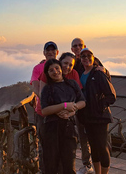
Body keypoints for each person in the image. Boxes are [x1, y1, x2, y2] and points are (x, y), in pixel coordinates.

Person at [71, 38, 110, 174]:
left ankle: (94, 167)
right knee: (87, 141)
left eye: (80, 46)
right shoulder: (73, 64)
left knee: (101, 145)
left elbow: (108, 87)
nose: (77, 48)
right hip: (83, 113)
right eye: (74, 46)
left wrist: (101, 106)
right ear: (72, 49)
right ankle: (87, 165)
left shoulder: (96, 65)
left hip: (98, 114)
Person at [41, 59, 86, 174]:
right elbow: (45, 110)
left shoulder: (72, 84)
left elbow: (82, 102)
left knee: (69, 162)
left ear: (61, 68)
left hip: (69, 126)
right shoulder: (47, 88)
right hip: (52, 129)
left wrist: (71, 110)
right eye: (51, 70)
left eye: (57, 68)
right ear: (48, 74)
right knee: (51, 163)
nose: (55, 72)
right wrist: (64, 106)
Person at [78, 48, 116, 174]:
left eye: (89, 55)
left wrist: (100, 106)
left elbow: (111, 95)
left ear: (93, 57)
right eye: (83, 56)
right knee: (94, 147)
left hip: (100, 117)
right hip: (87, 117)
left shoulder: (98, 73)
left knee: (102, 147)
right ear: (80, 59)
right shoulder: (81, 74)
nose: (86, 58)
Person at [30, 41, 59, 174]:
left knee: (59, 143)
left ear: (57, 52)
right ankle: (44, 170)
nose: (50, 52)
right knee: (44, 144)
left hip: (59, 112)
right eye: (48, 50)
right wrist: (47, 102)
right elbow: (35, 87)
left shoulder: (60, 66)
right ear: (44, 53)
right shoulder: (38, 68)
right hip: (42, 112)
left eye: (53, 50)